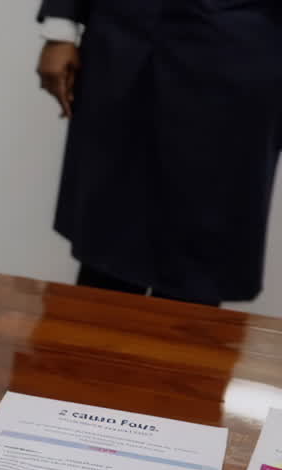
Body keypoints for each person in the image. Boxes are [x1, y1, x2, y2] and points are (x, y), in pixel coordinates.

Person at [36, 1, 282, 306]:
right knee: (108, 243)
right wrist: (60, 25)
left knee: (200, 260)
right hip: (125, 39)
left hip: (237, 51)